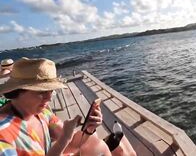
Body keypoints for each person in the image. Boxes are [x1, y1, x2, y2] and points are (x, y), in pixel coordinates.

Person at [0, 57, 136, 156]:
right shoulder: (3, 134)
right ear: (16, 91)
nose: (49, 97)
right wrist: (63, 140)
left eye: (51, 90)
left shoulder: (42, 114)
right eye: (41, 92)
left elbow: (72, 144)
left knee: (100, 143)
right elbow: (65, 142)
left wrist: (88, 129)